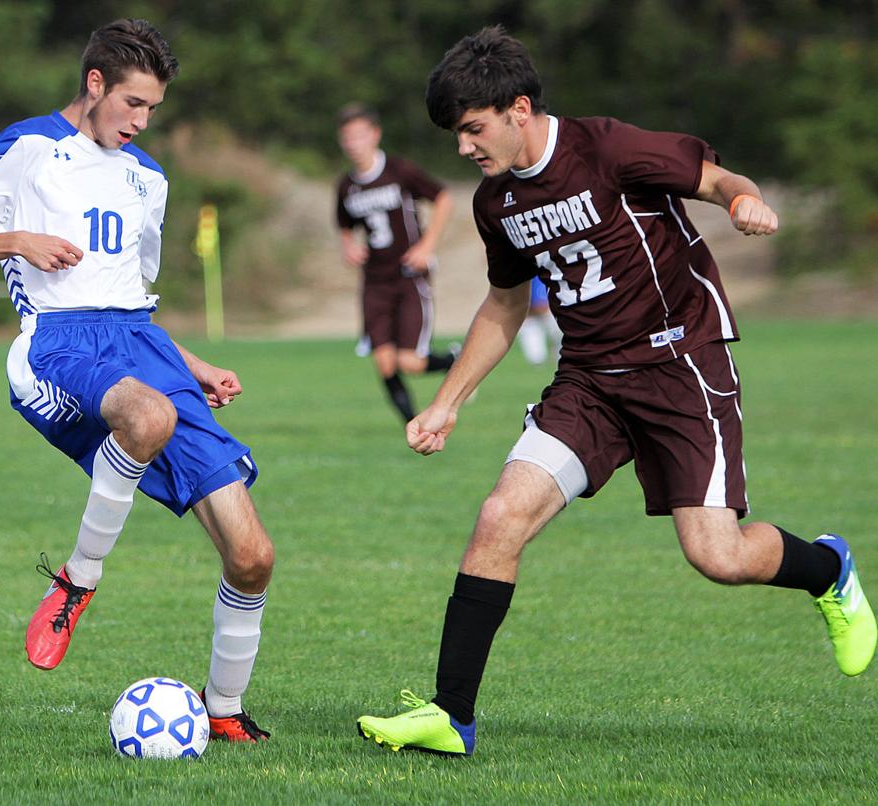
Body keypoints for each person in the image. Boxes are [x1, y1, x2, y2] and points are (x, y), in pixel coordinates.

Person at [356, 26, 876, 756]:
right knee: (500, 516)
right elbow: (504, 305)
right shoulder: (495, 203)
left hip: (680, 365)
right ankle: (451, 716)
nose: (465, 147)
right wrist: (446, 403)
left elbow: (717, 180)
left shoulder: (606, 149)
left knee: (718, 556)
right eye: (455, 135)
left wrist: (744, 202)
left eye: (473, 129)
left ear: (518, 109)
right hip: (589, 381)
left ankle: (828, 569)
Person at [0, 19, 273, 743]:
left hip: (141, 346)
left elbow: (132, 300)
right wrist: (17, 239)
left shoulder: (149, 178)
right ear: (94, 83)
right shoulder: (29, 147)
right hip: (59, 342)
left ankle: (225, 709)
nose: (141, 121)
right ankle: (78, 580)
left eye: (153, 109)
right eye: (132, 103)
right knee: (147, 418)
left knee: (252, 556)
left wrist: (192, 366)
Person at [335, 103, 459, 424]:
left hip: (408, 276)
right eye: (347, 137)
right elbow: (344, 224)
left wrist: (427, 245)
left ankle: (455, 361)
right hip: (374, 283)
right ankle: (413, 426)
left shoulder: (399, 171)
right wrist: (348, 246)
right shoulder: (346, 185)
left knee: (409, 362)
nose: (353, 144)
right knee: (385, 363)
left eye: (359, 136)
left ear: (375, 135)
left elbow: (443, 198)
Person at [516, 276, 562, 365]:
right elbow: (540, 306)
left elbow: (541, 306)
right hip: (531, 321)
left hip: (547, 315)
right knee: (537, 359)